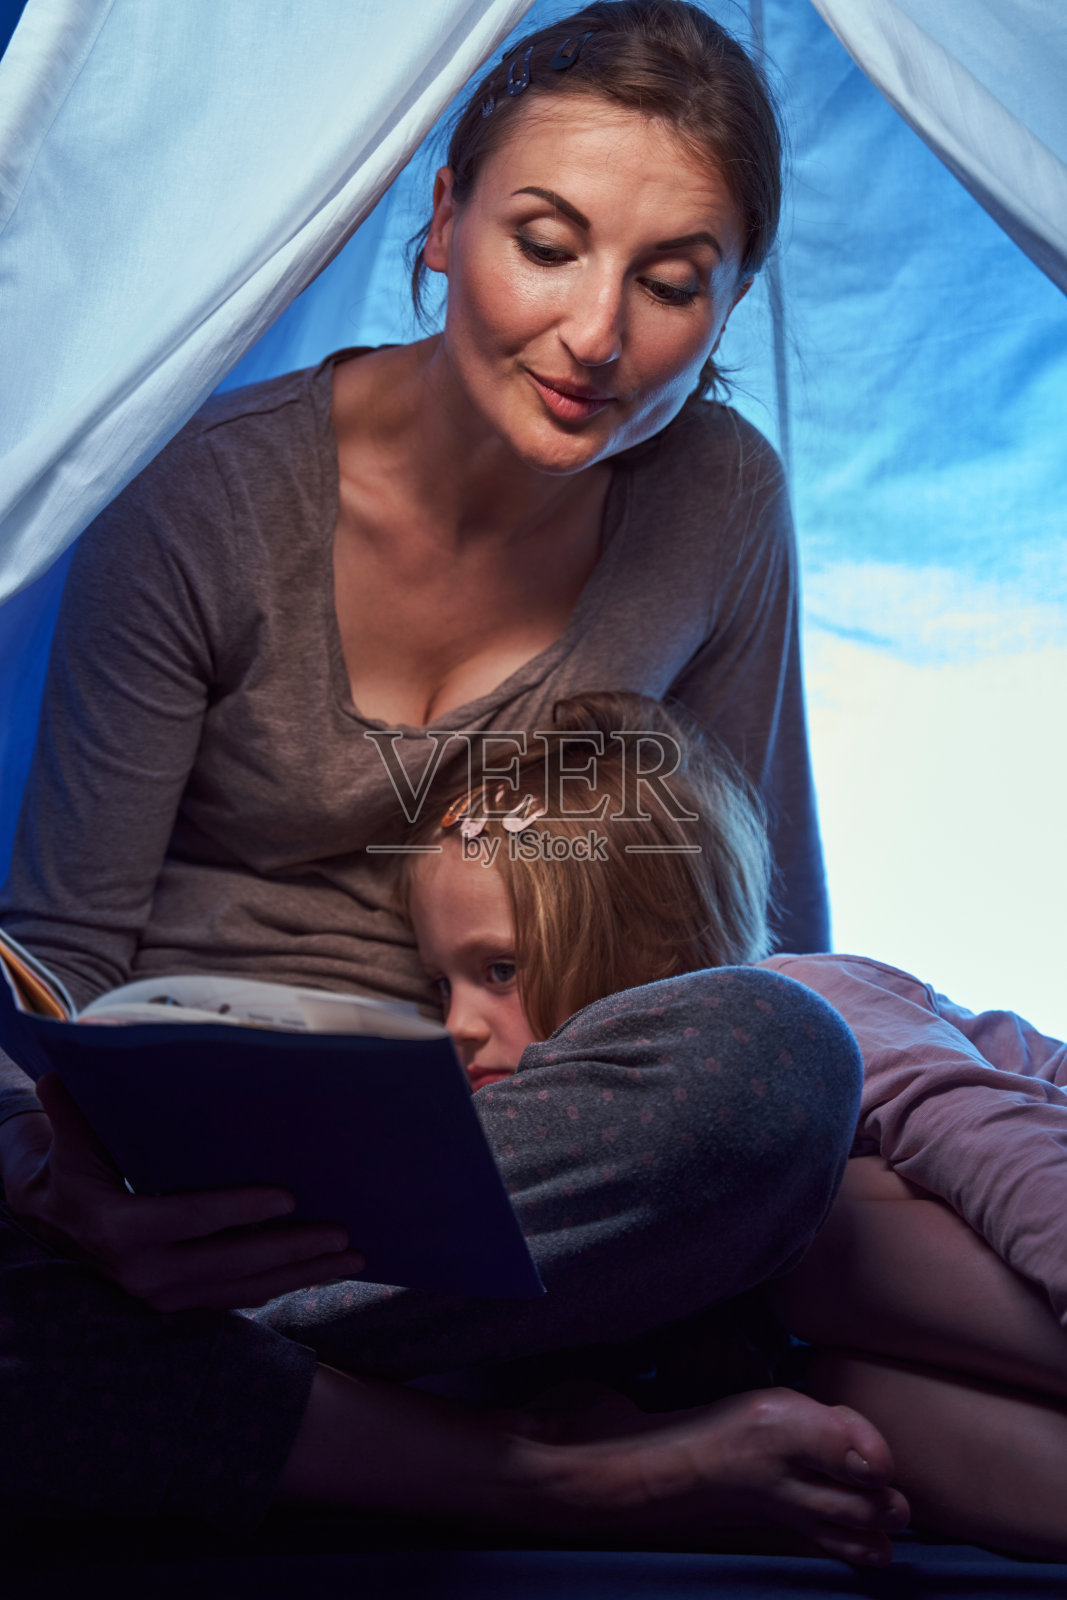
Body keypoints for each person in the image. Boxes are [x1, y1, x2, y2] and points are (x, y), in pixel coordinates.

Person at [0, 1, 904, 1564]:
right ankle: (545, 1469)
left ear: (731, 300)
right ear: (439, 221)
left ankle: (238, 1376)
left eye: (671, 281)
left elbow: (760, 935)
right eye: (545, 243)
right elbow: (59, 951)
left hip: (532, 1167)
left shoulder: (718, 501)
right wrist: (71, 1195)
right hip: (193, 1184)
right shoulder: (202, 496)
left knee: (775, 1062)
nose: (596, 335)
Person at [404, 689, 1067, 1560]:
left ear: (648, 946)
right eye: (439, 986)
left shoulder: (799, 1003)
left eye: (500, 970)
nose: (456, 1024)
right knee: (842, 1407)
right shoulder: (600, 1180)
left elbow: (999, 1140)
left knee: (830, 1234)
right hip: (905, 1348)